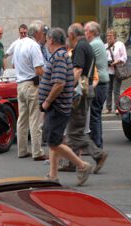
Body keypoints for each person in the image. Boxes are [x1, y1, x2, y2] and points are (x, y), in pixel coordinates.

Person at [39, 27, 93, 185]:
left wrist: (47, 101)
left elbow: (59, 83)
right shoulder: (59, 55)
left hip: (57, 106)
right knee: (53, 140)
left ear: (52, 40)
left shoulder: (59, 57)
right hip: (57, 106)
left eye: (47, 39)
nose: (46, 42)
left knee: (54, 142)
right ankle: (53, 175)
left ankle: (82, 165)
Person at [65, 23, 108, 173]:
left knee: (75, 131)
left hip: (81, 91)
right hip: (86, 89)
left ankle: (98, 154)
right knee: (74, 129)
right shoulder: (86, 46)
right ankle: (72, 162)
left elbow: (77, 70)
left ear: (72, 35)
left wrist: (68, 89)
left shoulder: (80, 47)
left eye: (68, 35)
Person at [12, 20, 46, 161]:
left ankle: (22, 150)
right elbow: (39, 70)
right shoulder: (34, 45)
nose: (44, 34)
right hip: (32, 85)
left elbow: (13, 64)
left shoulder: (18, 43)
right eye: (43, 32)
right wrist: (49, 74)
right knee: (35, 120)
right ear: (37, 32)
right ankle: (37, 152)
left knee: (22, 119)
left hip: (20, 84)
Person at [85, 21, 109, 148]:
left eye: (86, 31)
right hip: (103, 82)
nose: (85, 33)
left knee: (94, 115)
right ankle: (98, 143)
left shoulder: (93, 44)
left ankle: (96, 145)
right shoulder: (99, 43)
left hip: (98, 83)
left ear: (92, 32)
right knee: (97, 115)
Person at [105, 29, 127, 113]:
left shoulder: (120, 44)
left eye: (110, 35)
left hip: (117, 71)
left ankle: (117, 108)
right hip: (108, 71)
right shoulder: (105, 46)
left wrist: (117, 61)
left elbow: (124, 57)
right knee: (108, 90)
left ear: (115, 36)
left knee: (116, 90)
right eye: (107, 36)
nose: (109, 37)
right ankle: (108, 107)